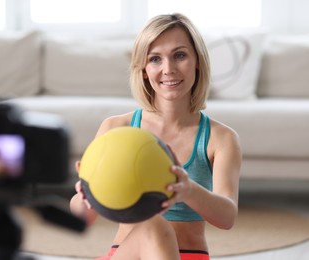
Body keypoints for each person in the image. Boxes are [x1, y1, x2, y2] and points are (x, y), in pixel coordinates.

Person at [70, 13, 241, 260]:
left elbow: (227, 218)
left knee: (156, 224)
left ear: (197, 62)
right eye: (155, 59)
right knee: (153, 224)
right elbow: (83, 218)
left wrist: (188, 190)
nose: (168, 69)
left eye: (179, 55)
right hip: (126, 254)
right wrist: (87, 197)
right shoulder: (116, 128)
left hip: (189, 254)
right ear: (144, 70)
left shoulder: (221, 138)